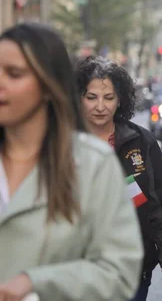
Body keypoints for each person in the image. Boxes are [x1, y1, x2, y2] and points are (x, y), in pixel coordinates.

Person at [0, 23, 143, 300]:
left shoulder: (93, 165)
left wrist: (34, 282)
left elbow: (118, 272)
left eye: (14, 74)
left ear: (48, 85)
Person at [75, 56, 162, 301]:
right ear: (78, 99)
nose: (100, 106)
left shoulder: (141, 141)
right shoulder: (60, 141)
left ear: (120, 99)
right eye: (91, 97)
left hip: (131, 266)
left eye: (108, 98)